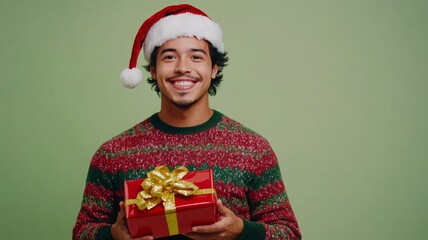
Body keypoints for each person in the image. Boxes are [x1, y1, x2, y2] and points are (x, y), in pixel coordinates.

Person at [73, 4, 301, 240]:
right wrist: (112, 235)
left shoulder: (253, 150)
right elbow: (82, 232)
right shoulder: (113, 154)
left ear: (214, 68)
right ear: (153, 69)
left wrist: (241, 231)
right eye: (169, 57)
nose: (182, 68)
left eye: (196, 57)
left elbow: (289, 234)